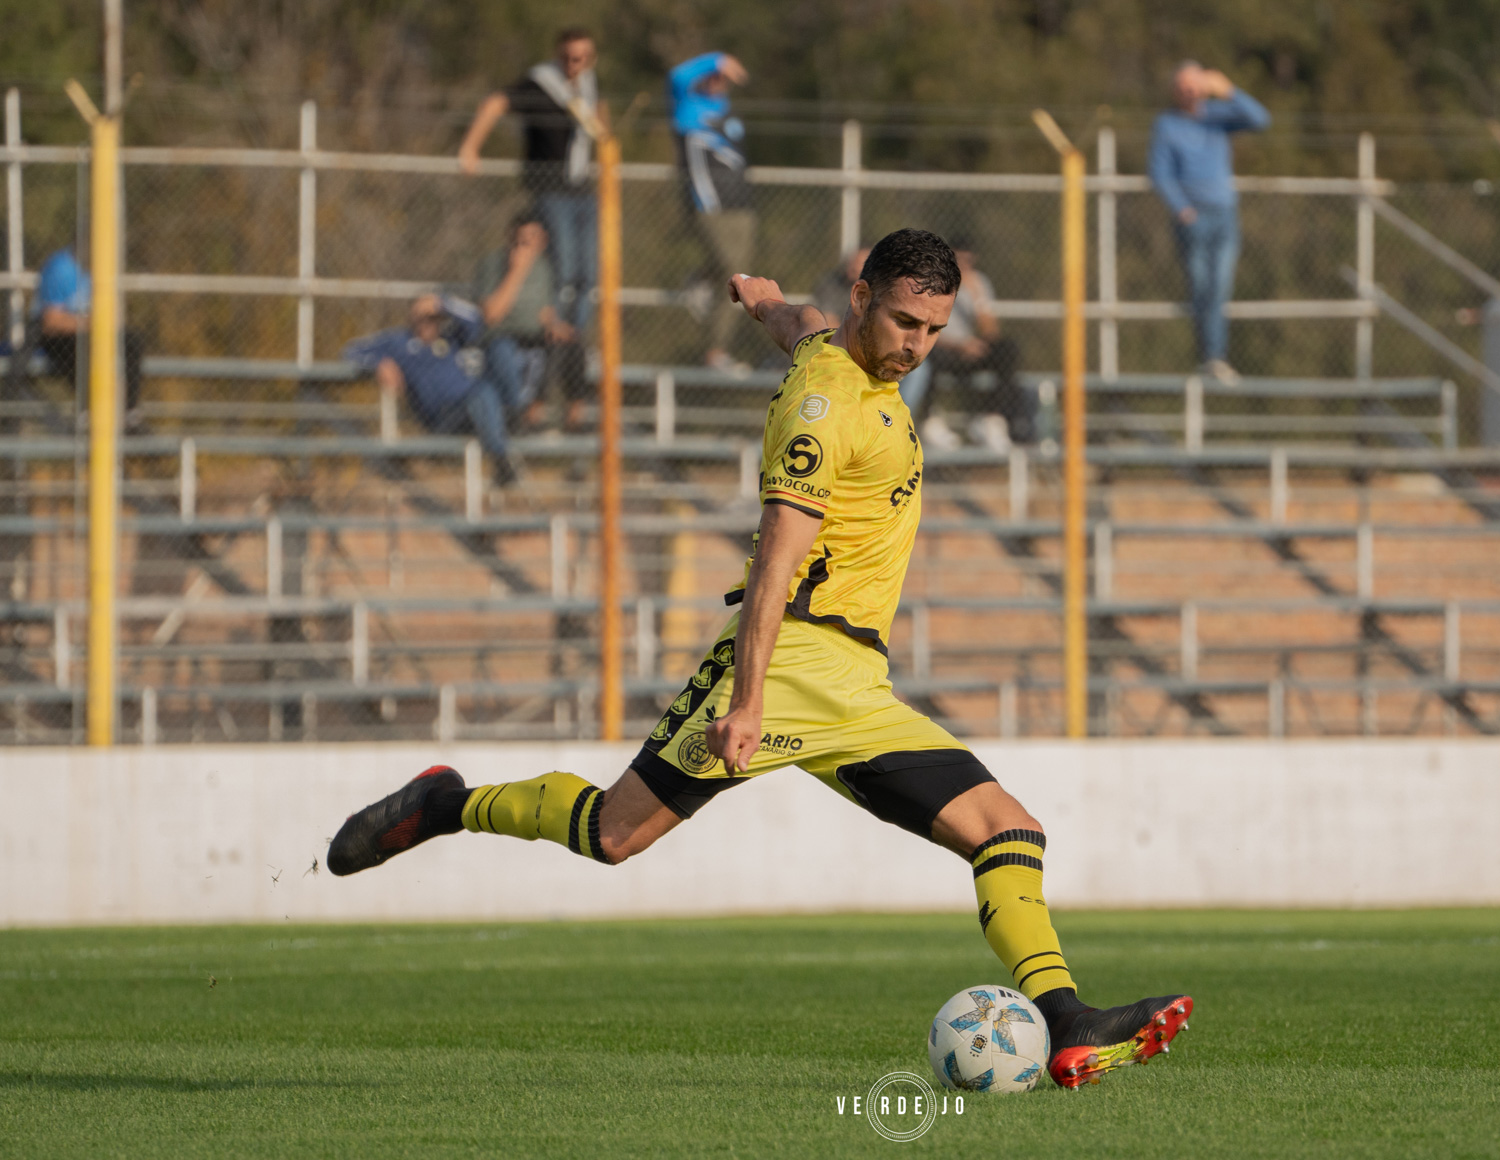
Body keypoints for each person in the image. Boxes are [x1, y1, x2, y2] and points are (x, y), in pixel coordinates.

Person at [326, 228, 1192, 1090]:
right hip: (783, 669)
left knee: (1009, 830)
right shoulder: (826, 413)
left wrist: (761, 299)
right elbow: (776, 561)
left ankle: (1065, 1019)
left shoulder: (834, 346)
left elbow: (800, 323)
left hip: (855, 686)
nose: (916, 347)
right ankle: (446, 805)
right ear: (865, 298)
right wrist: (746, 703)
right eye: (901, 324)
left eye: (932, 330)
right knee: (613, 834)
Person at [458, 28, 602, 322]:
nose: (575, 64)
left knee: (589, 272)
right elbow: (494, 103)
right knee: (564, 266)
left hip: (584, 189)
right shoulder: (540, 83)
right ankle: (556, 332)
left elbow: (600, 116)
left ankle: (577, 339)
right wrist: (470, 148)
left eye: (582, 58)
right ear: (558, 55)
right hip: (551, 189)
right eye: (569, 58)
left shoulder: (588, 83)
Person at [1148, 60, 1270, 386]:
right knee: (1202, 288)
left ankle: (1215, 358)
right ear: (1174, 90)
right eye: (1184, 86)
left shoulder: (1217, 116)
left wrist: (1228, 90)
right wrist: (1181, 208)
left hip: (1224, 214)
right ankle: (1209, 357)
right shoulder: (1167, 125)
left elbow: (1260, 120)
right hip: (1193, 217)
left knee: (1220, 287)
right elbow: (1159, 172)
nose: (1190, 92)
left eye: (1195, 85)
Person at [342, 294, 524, 487]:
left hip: (475, 411)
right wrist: (379, 363)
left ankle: (509, 434)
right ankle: (502, 458)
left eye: (432, 318)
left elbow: (477, 319)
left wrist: (443, 303)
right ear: (411, 317)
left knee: (500, 351)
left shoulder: (452, 338)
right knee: (482, 394)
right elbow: (350, 351)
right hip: (442, 418)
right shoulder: (398, 342)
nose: (427, 323)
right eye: (421, 317)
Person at [668, 51, 754, 372]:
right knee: (728, 265)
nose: (718, 81)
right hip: (708, 204)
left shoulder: (727, 111)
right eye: (713, 77)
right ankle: (713, 348)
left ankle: (717, 348)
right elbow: (676, 77)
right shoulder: (687, 109)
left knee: (738, 276)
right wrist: (717, 60)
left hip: (741, 204)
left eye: (723, 78)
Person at [909, 238, 1032, 452]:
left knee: (1007, 349)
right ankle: (929, 421)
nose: (963, 266)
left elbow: (990, 332)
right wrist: (960, 345)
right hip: (942, 349)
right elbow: (926, 328)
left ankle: (991, 419)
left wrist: (977, 297)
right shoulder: (933, 282)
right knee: (926, 354)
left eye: (968, 260)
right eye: (959, 260)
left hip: (969, 350)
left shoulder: (978, 282)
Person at [474, 212, 585, 429]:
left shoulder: (544, 268)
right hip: (503, 334)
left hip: (535, 333)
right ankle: (521, 415)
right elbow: (492, 315)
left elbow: (545, 312)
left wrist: (555, 326)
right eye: (523, 239)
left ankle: (575, 419)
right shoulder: (493, 263)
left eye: (535, 238)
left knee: (570, 343)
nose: (529, 244)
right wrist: (517, 271)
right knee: (503, 353)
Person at [26, 247, 146, 426]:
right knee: (86, 346)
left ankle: (128, 413)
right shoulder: (61, 266)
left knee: (132, 340)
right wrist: (90, 323)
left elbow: (115, 318)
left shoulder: (102, 269)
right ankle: (91, 411)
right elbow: (50, 322)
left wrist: (107, 320)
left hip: (89, 335)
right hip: (56, 339)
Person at [808, 246, 870, 328]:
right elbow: (828, 320)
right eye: (852, 262)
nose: (853, 267)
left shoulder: (878, 288)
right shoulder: (832, 284)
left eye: (859, 263)